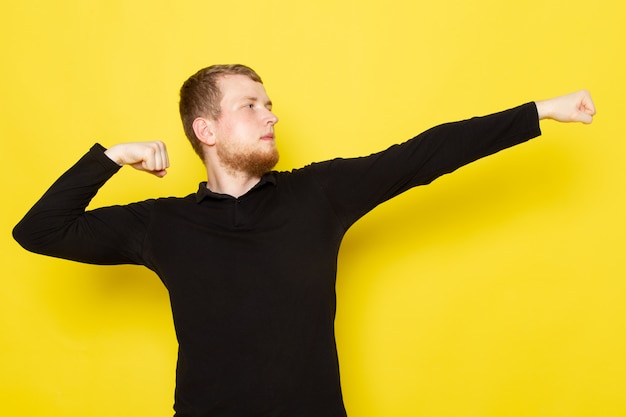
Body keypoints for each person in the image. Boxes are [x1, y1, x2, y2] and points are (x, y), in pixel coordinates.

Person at [13, 64, 596, 417]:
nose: (270, 116)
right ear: (206, 130)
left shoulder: (318, 195)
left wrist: (541, 112)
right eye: (251, 106)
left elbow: (423, 154)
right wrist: (112, 158)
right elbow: (38, 230)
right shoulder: (161, 225)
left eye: (270, 105)